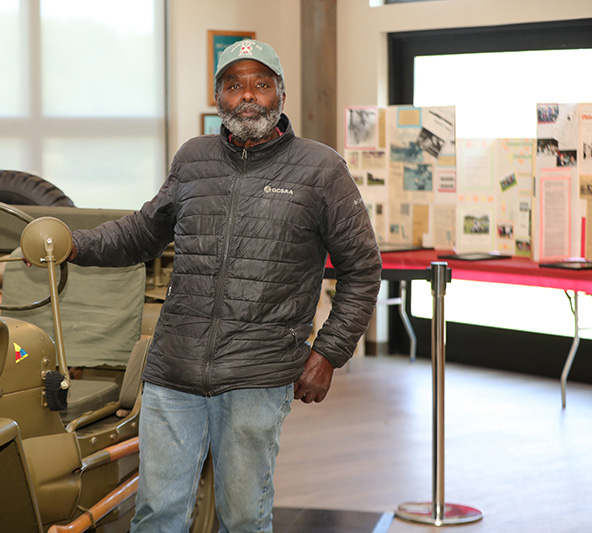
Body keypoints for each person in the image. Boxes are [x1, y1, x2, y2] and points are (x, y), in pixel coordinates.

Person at [68, 39, 381, 532]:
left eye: (260, 83)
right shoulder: (193, 158)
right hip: (175, 368)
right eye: (234, 85)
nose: (248, 96)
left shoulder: (322, 170)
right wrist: (72, 245)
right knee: (156, 514)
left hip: (258, 373)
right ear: (219, 96)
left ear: (280, 92)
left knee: (243, 517)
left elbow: (362, 269)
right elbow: (142, 232)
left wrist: (328, 354)